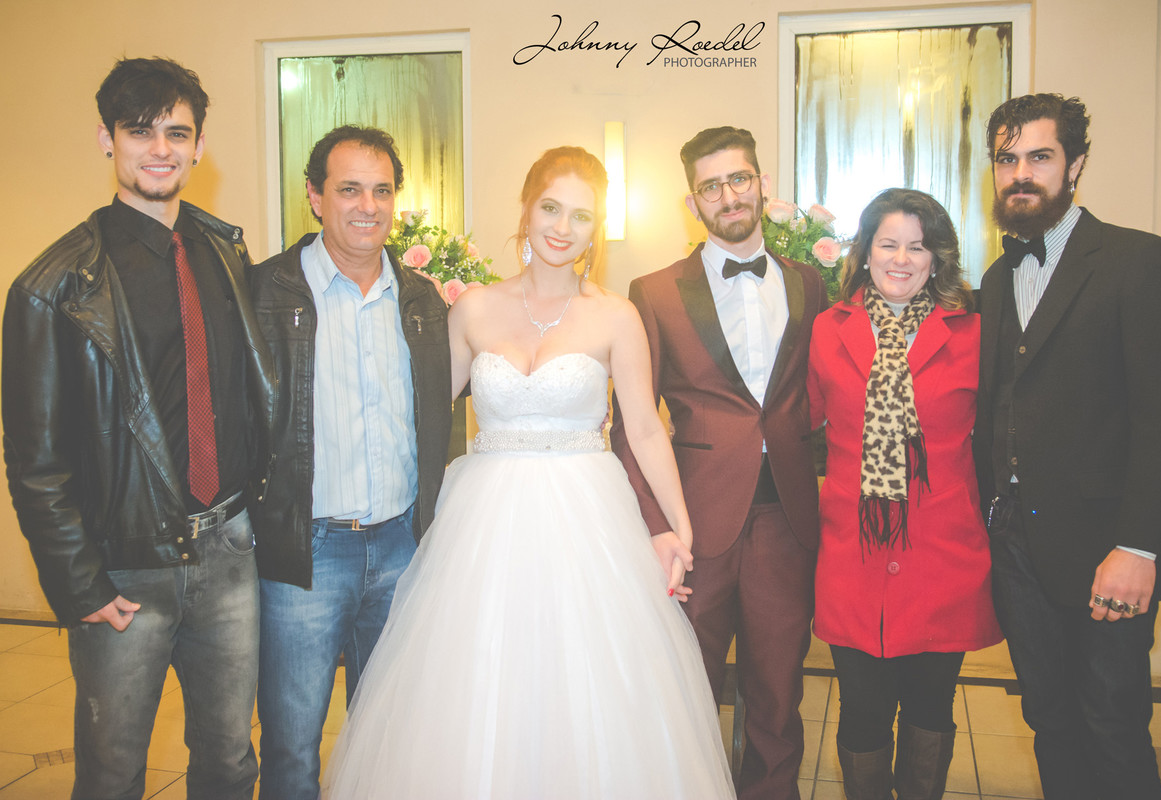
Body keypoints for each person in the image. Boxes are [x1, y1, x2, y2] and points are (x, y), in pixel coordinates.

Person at [321, 146, 735, 798]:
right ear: (526, 208)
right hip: (483, 524)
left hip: (587, 519)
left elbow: (646, 428)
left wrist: (679, 527)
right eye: (551, 208)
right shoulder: (473, 309)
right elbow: (421, 416)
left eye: (581, 216)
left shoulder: (616, 316)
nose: (563, 228)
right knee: (479, 679)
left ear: (597, 230)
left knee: (587, 684)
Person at [2, 57, 269, 799]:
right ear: (107, 139)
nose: (160, 149)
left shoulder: (225, 251)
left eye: (176, 133)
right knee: (113, 775)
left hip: (229, 551)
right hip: (124, 571)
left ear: (199, 145)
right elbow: (35, 460)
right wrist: (77, 583)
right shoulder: (53, 287)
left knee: (229, 762)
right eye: (139, 131)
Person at [974, 94, 1161, 799]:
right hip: (1017, 551)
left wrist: (1140, 547)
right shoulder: (996, 281)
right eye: (1007, 159)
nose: (1020, 173)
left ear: (1076, 165)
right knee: (1049, 719)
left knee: (1112, 727)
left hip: (1107, 553)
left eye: (1040, 156)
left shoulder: (1138, 260)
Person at [610, 126, 826, 799]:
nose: (728, 195)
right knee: (685, 691)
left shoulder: (810, 283)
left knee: (778, 698)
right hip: (694, 526)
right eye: (711, 186)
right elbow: (632, 425)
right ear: (692, 203)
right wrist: (656, 527)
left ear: (762, 184)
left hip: (787, 522)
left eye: (739, 179)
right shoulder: (654, 292)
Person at [247, 124, 452, 800]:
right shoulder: (263, 295)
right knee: (291, 748)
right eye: (349, 190)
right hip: (305, 555)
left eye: (382, 191)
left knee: (386, 741)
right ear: (315, 196)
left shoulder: (422, 301)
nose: (368, 206)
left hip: (401, 549)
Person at [807, 189, 1002, 800]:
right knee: (862, 712)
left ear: (936, 257)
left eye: (917, 247)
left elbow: (1002, 436)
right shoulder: (827, 329)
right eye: (888, 244)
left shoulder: (974, 331)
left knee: (930, 710)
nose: (900, 259)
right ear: (865, 252)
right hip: (853, 558)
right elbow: (797, 423)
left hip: (944, 558)